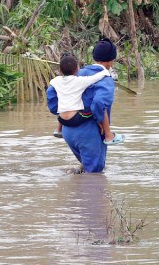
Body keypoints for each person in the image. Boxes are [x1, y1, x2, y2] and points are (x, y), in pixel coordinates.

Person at [47, 38, 121, 173]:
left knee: (87, 169)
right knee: (95, 176)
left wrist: (61, 110)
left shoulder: (76, 73)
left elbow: (52, 93)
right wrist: (100, 120)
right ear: (111, 61)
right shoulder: (105, 79)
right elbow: (98, 103)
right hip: (88, 133)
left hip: (68, 131)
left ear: (94, 56)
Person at [50, 53, 111, 138]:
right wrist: (105, 72)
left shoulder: (56, 81)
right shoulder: (79, 81)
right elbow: (95, 78)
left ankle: (59, 130)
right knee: (99, 107)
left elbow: (51, 83)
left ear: (60, 71)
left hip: (62, 119)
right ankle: (107, 134)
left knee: (62, 104)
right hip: (75, 118)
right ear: (77, 70)